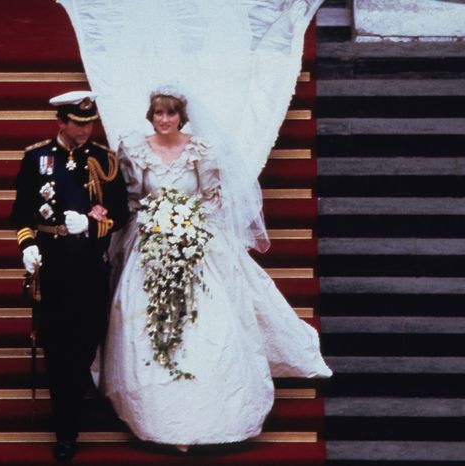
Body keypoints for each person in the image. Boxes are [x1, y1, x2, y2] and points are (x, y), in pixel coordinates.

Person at [100, 88, 332, 448]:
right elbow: (132, 199)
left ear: (182, 116)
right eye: (158, 114)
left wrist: (187, 228)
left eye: (171, 114)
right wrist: (156, 227)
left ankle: (209, 412)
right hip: (149, 245)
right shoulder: (134, 149)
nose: (164, 120)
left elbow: (211, 198)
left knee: (206, 324)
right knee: (145, 323)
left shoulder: (201, 151)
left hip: (196, 243)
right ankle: (159, 416)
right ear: (150, 115)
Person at [10, 90, 128, 462]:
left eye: (89, 122)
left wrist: (91, 228)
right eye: (78, 124)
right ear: (61, 122)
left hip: (90, 267)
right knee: (58, 350)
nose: (85, 129)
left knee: (85, 346)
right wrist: (27, 247)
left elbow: (121, 213)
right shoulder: (37, 158)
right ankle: (66, 430)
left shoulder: (104, 161)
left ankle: (75, 402)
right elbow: (22, 213)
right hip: (53, 268)